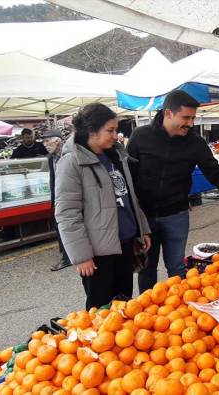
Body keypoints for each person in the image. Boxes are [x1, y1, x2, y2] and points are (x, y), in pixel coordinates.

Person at [127, 90, 219, 292]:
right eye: (186, 117)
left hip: (176, 215)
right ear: (168, 113)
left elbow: (215, 173)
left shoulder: (195, 142)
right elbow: (129, 178)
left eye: (193, 118)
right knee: (146, 269)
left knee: (177, 268)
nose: (190, 123)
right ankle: (147, 315)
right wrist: (132, 217)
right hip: (145, 218)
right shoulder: (140, 137)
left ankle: (177, 310)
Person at [55, 103, 152, 309]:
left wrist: (142, 230)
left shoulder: (115, 156)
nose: (115, 135)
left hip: (124, 244)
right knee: (100, 310)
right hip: (99, 253)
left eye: (116, 130)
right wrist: (82, 257)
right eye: (110, 130)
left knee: (124, 304)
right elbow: (67, 213)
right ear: (91, 131)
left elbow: (129, 197)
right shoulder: (71, 162)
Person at [43, 129, 71, 272]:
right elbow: (53, 179)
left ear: (58, 141)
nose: (45, 144)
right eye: (44, 141)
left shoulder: (69, 154)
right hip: (60, 197)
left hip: (72, 195)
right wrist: (53, 200)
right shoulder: (50, 158)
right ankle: (66, 257)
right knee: (60, 226)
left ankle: (71, 256)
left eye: (47, 141)